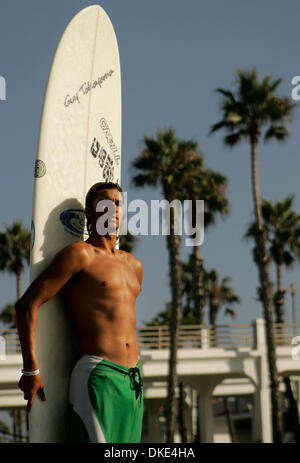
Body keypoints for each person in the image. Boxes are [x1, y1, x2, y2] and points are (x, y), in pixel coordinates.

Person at [15, 181, 144, 443]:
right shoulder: (80, 255)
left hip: (134, 379)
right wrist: (31, 370)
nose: (114, 209)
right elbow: (27, 304)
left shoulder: (134, 265)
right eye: (105, 204)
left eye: (118, 204)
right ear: (89, 213)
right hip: (98, 376)